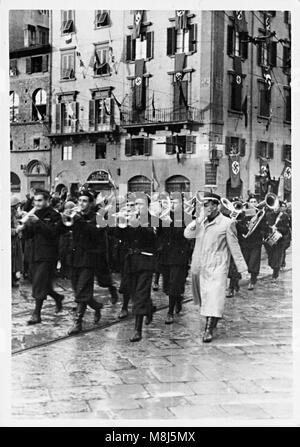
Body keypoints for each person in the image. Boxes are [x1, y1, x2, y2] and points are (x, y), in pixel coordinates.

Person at [184, 192, 247, 343]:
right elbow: (187, 234)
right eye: (204, 205)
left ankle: (209, 329)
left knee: (214, 297)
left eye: (209, 205)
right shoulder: (201, 222)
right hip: (201, 265)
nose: (207, 208)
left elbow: (234, 246)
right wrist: (197, 220)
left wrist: (242, 268)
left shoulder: (227, 223)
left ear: (216, 205)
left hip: (218, 265)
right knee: (205, 298)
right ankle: (212, 322)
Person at [117, 192, 158, 342]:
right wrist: (120, 223)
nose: (136, 207)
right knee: (135, 293)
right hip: (131, 261)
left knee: (140, 294)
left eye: (140, 204)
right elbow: (119, 236)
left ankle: (137, 330)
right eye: (135, 204)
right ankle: (148, 308)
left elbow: (150, 236)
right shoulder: (130, 218)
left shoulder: (153, 219)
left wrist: (135, 223)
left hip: (146, 261)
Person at [61, 190, 103, 335]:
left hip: (89, 258)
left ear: (91, 203)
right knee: (78, 290)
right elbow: (63, 229)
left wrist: (80, 220)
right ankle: (96, 306)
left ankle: (78, 322)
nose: (81, 204)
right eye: (80, 201)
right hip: (74, 257)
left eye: (85, 201)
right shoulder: (75, 215)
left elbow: (95, 232)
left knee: (82, 289)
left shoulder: (97, 217)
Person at [21, 189, 65, 324]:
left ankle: (36, 313)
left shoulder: (54, 215)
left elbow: (53, 233)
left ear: (47, 201)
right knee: (38, 281)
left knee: (39, 283)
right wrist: (25, 226)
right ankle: (57, 297)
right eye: (35, 200)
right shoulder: (34, 214)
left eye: (40, 200)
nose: (37, 203)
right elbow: (28, 236)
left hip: (47, 254)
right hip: (33, 253)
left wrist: (38, 222)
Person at [157, 192, 191, 324]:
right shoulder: (165, 215)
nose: (172, 204)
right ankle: (178, 299)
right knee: (166, 285)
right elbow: (159, 235)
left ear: (181, 203)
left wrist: (171, 224)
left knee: (174, 283)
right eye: (170, 201)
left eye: (175, 201)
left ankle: (170, 312)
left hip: (179, 256)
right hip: (166, 255)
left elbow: (185, 235)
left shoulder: (186, 217)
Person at [263, 199, 291, 282]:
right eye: (274, 206)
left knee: (277, 257)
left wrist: (277, 228)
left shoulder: (284, 216)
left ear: (280, 207)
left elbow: (286, 229)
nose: (275, 208)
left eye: (277, 206)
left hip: (280, 240)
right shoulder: (268, 215)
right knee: (271, 258)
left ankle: (275, 275)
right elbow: (264, 226)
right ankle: (274, 267)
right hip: (270, 240)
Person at [11, 196, 23, 287]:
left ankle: (14, 276)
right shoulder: (9, 213)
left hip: (16, 239)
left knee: (17, 259)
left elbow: (17, 218)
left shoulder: (14, 212)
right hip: (12, 240)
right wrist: (15, 231)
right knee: (13, 259)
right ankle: (12, 278)